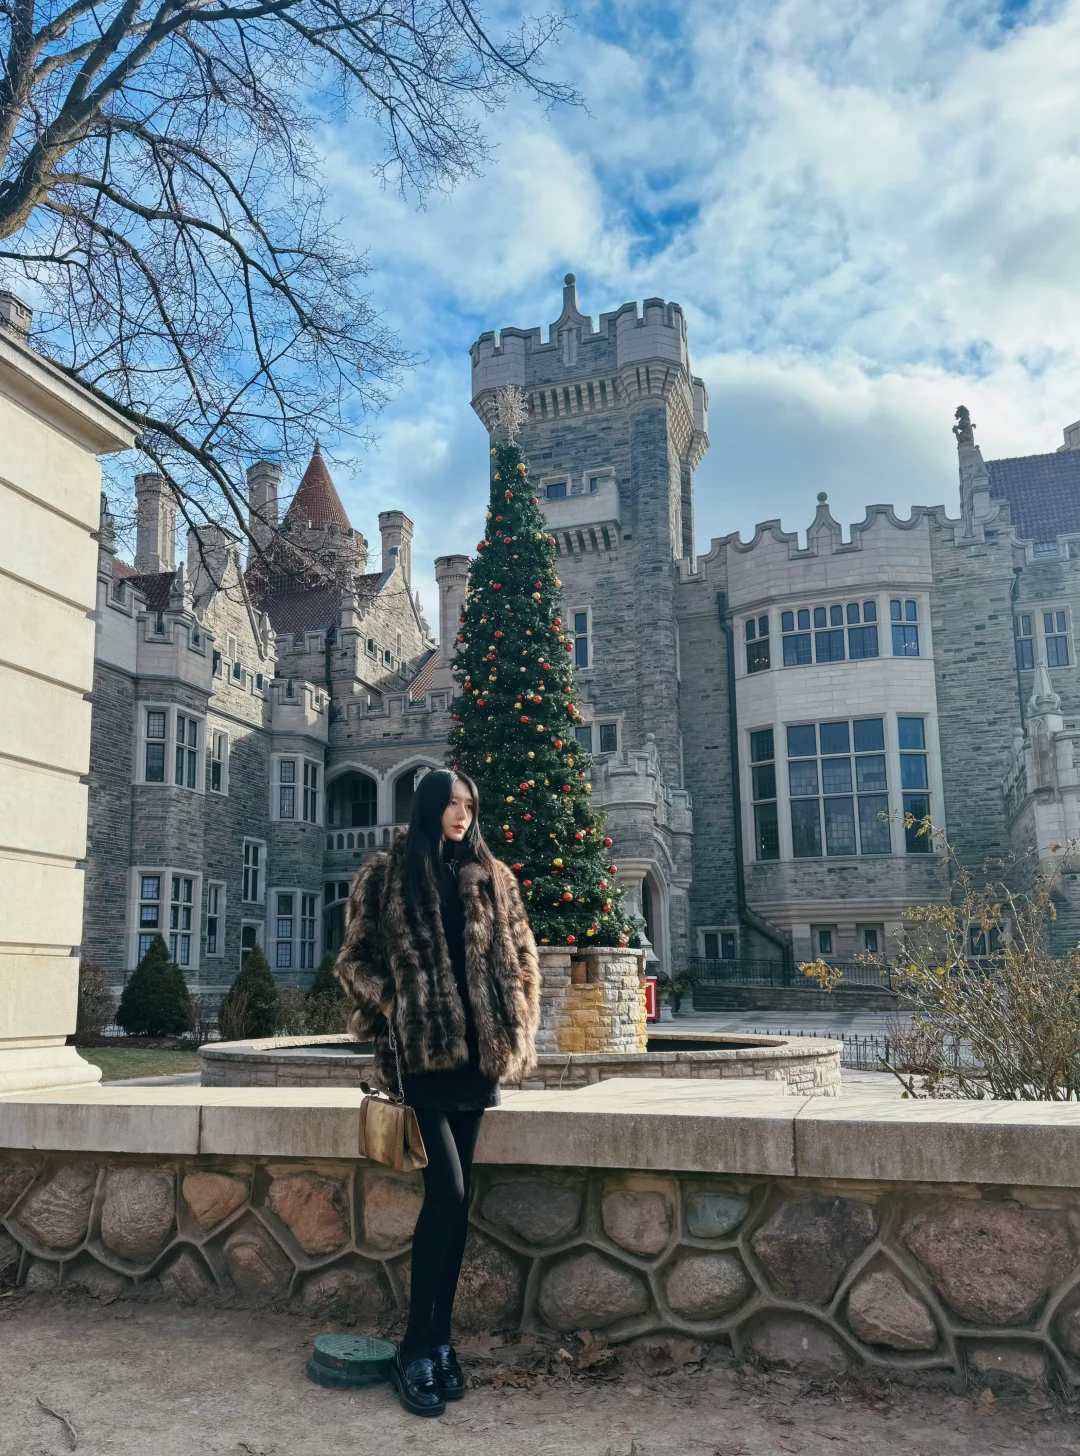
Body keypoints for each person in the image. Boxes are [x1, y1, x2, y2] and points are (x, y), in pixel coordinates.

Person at [335, 769, 540, 1417]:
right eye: (451, 803)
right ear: (428, 806)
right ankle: (416, 1345)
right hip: (422, 1056)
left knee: (460, 1202)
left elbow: (522, 950)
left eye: (469, 804)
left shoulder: (492, 874)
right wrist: (398, 1007)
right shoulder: (387, 873)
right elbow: (354, 962)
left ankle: (438, 1343)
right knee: (445, 1192)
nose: (462, 813)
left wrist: (521, 1014)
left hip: (479, 1059)